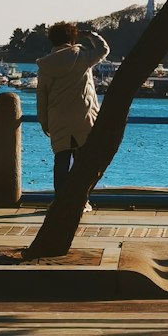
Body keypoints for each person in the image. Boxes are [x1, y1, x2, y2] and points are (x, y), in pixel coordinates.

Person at [36, 21, 111, 204]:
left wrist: (44, 121)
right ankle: (80, 200)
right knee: (83, 162)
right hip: (83, 115)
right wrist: (91, 35)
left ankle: (61, 200)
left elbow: (42, 96)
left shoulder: (46, 65)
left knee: (61, 160)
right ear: (72, 38)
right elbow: (103, 49)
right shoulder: (82, 57)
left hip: (57, 117)